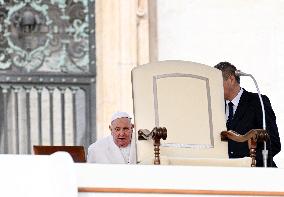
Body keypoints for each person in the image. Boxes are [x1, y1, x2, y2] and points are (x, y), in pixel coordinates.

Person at [214, 61, 281, 167]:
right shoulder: (215, 107)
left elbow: (274, 143)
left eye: (217, 83)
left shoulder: (258, 101)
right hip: (226, 173)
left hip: (256, 173)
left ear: (231, 79)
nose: (214, 87)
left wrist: (250, 161)